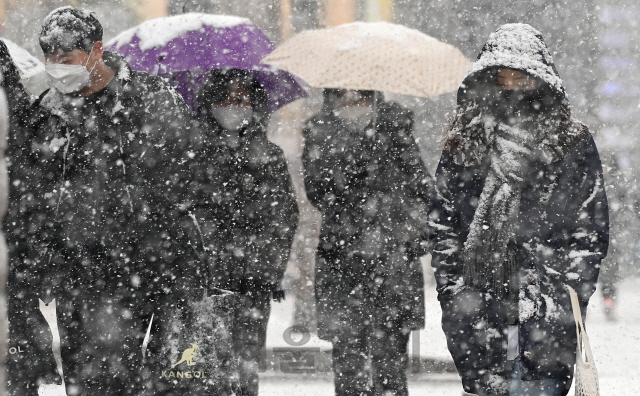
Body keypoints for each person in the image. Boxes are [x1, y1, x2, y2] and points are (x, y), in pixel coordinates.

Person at [6, 7, 196, 395]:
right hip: (82, 274)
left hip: (156, 264)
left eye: (67, 57)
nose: (57, 66)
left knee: (173, 380)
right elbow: (31, 195)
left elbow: (187, 177)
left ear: (95, 50)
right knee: (93, 382)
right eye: (50, 57)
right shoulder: (47, 111)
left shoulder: (151, 98)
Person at [428, 24, 609, 396]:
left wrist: (570, 289)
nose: (510, 85)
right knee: (486, 389)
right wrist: (454, 289)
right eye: (502, 76)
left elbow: (589, 222)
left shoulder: (571, 140)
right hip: (477, 295)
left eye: (521, 76)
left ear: (541, 78)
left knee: (543, 388)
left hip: (549, 296)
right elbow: (443, 219)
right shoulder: (466, 140)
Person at [302, 89, 431, 396]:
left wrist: (403, 220)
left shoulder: (396, 127)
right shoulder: (320, 131)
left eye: (359, 87)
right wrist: (354, 173)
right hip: (342, 261)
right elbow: (318, 191)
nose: (351, 94)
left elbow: (421, 186)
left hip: (393, 262)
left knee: (391, 365)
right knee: (348, 363)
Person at [191, 68, 299, 396]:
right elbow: (185, 215)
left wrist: (263, 270)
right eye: (225, 98)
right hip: (203, 286)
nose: (233, 106)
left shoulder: (271, 157)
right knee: (200, 373)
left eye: (242, 98)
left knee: (244, 372)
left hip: (253, 287)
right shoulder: (192, 155)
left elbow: (283, 219)